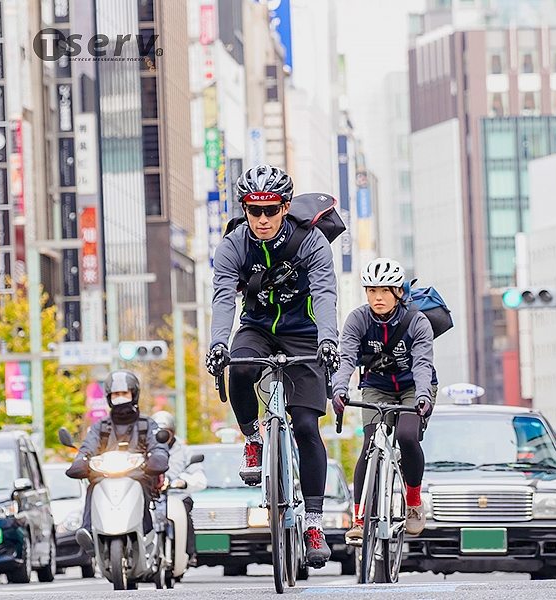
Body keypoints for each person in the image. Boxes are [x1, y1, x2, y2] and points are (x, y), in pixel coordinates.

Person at [205, 164, 340, 566]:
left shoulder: (311, 241)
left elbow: (326, 292)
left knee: (305, 426)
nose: (262, 219)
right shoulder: (233, 245)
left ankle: (313, 524)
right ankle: (253, 438)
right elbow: (224, 298)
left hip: (306, 332)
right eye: (253, 210)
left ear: (285, 207)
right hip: (257, 328)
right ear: (244, 209)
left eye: (270, 210)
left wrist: (328, 340)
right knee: (240, 367)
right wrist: (217, 344)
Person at [332, 258, 438, 543]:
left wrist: (424, 396)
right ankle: (359, 518)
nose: (377, 297)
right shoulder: (358, 319)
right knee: (370, 444)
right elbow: (346, 358)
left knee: (406, 436)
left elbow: (423, 364)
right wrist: (339, 389)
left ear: (399, 292)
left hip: (414, 387)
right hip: (377, 386)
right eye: (372, 291)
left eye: (384, 291)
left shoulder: (417, 321)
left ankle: (413, 501)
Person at [66, 370, 169, 555]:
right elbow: (87, 447)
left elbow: (157, 445)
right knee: (93, 487)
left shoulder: (147, 424)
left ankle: (146, 532)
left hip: (139, 476)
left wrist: (158, 457)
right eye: (115, 394)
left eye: (124, 393)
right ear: (109, 397)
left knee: (143, 486)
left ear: (133, 394)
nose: (120, 398)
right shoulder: (100, 427)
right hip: (106, 476)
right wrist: (81, 461)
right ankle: (88, 530)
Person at [151, 410, 207, 567]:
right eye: (158, 433)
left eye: (165, 433)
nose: (162, 437)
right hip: (153, 496)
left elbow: (199, 477)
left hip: (177, 495)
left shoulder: (184, 451)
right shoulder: (145, 449)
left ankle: (189, 553)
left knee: (184, 514)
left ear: (172, 432)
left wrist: (184, 482)